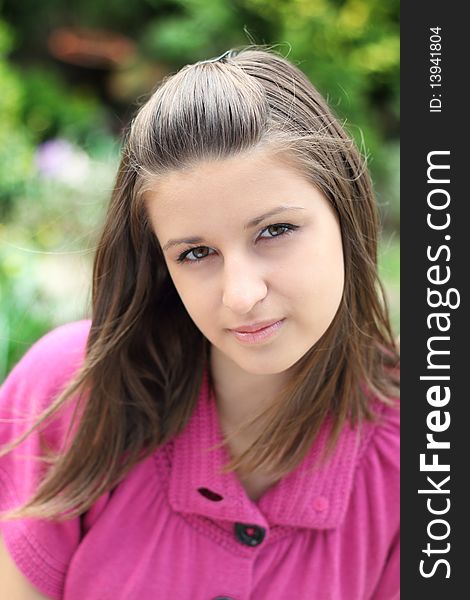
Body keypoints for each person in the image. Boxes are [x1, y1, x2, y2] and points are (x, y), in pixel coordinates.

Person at [0, 46, 399, 599]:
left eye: (275, 231)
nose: (241, 295)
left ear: (345, 208)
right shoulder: (72, 390)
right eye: (195, 254)